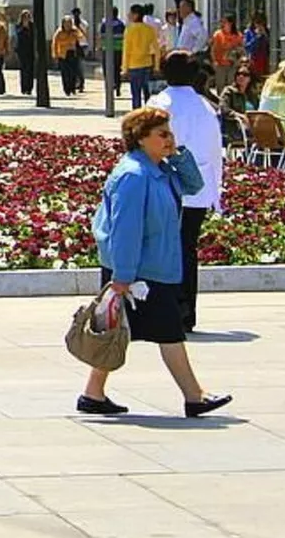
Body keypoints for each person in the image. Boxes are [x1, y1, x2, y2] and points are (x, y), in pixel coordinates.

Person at [79, 109, 231, 419]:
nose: (169, 139)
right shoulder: (134, 176)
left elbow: (192, 185)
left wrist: (179, 154)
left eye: (170, 132)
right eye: (162, 134)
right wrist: (122, 276)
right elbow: (125, 228)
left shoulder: (159, 169)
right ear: (140, 138)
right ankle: (194, 396)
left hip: (154, 266)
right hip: (139, 272)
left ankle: (93, 394)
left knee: (119, 330)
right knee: (169, 332)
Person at [148, 51, 224, 334]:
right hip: (199, 187)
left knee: (163, 248)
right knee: (187, 248)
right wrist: (215, 190)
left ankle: (165, 309)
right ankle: (186, 312)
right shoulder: (206, 108)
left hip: (165, 187)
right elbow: (216, 153)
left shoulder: (159, 104)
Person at [122, 5, 159, 110]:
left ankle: (136, 114)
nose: (129, 15)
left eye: (131, 13)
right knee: (147, 93)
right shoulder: (149, 29)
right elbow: (156, 49)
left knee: (136, 94)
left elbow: (126, 51)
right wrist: (157, 66)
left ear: (136, 15)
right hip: (147, 64)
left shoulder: (129, 30)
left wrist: (124, 69)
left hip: (134, 65)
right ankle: (149, 113)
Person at [52, 15, 83, 97]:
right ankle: (67, 89)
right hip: (63, 55)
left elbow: (81, 37)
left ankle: (72, 88)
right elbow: (55, 43)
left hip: (72, 53)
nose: (68, 25)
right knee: (65, 73)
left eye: (69, 23)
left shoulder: (74, 30)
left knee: (73, 72)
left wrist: (77, 33)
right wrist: (55, 54)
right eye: (66, 23)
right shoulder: (59, 32)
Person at [13, 10, 36, 95]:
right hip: (21, 51)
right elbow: (18, 35)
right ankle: (23, 88)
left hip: (30, 50)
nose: (26, 18)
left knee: (30, 69)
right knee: (23, 69)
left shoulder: (33, 26)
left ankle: (29, 88)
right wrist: (24, 27)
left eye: (28, 16)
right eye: (25, 17)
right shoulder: (18, 26)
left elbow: (34, 36)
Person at [243, 11, 271, 80]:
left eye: (261, 22)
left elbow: (271, 45)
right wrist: (257, 37)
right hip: (254, 59)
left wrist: (265, 35)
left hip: (265, 58)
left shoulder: (267, 31)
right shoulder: (249, 32)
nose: (258, 24)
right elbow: (247, 47)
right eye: (257, 22)